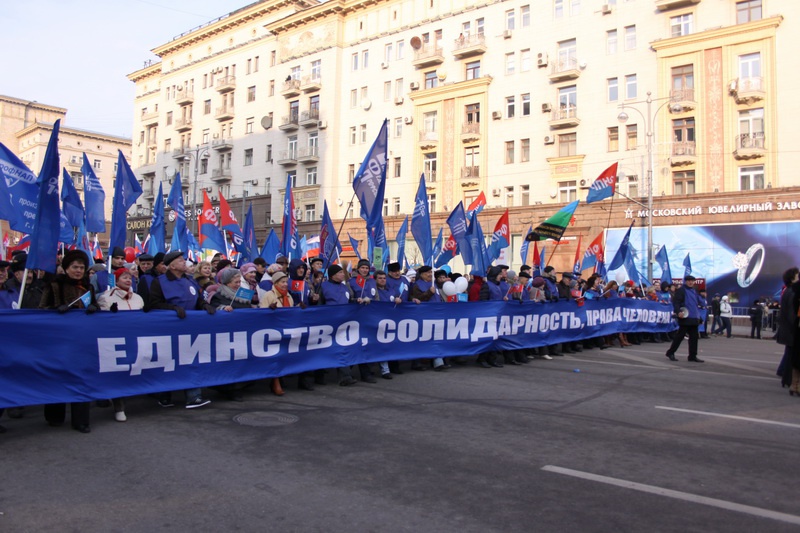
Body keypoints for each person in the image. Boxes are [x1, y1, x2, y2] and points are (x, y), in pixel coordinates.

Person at [39, 250, 98, 433]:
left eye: (81, 267)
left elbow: (94, 305)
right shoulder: (54, 285)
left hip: (81, 340)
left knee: (81, 379)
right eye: (75, 267)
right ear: (66, 269)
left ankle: (81, 420)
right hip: (59, 341)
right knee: (57, 377)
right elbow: (41, 310)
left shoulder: (88, 288)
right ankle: (55, 416)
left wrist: (94, 308)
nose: (78, 270)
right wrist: (55, 310)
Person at [148, 250, 216, 408]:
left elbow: (198, 299)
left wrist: (204, 305)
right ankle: (164, 396)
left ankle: (194, 396)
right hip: (169, 329)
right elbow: (153, 304)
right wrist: (172, 309)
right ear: (171, 265)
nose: (184, 262)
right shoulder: (160, 282)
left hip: (190, 329)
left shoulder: (190, 281)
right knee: (168, 363)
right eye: (180, 260)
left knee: (191, 361)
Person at [97, 267, 145, 421]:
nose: (128, 280)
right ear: (116, 280)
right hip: (116, 341)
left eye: (129, 277)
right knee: (118, 372)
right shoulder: (107, 297)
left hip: (135, 339)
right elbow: (102, 321)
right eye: (124, 277)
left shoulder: (138, 298)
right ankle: (119, 407)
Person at [318, 265, 358, 386]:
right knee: (324, 350)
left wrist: (358, 301)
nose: (342, 274)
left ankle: (345, 376)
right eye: (340, 272)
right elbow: (319, 304)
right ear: (333, 275)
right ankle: (319, 376)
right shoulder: (323, 286)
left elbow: (349, 301)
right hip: (328, 323)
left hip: (344, 323)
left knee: (343, 348)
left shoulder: (345, 287)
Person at [665, 275, 703, 363]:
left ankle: (692, 356)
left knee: (694, 338)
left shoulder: (694, 291)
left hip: (694, 317)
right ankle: (671, 352)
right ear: (685, 281)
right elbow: (676, 302)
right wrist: (678, 312)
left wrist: (699, 317)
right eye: (689, 281)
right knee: (680, 336)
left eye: (692, 281)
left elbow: (695, 305)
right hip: (685, 316)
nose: (690, 282)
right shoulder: (681, 290)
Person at [776, 267, 799, 392]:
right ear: (792, 278)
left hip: (788, 330)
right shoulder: (792, 292)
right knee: (792, 355)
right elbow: (792, 314)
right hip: (791, 330)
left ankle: (785, 376)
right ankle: (788, 380)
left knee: (789, 354)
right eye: (797, 275)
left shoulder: (788, 291)